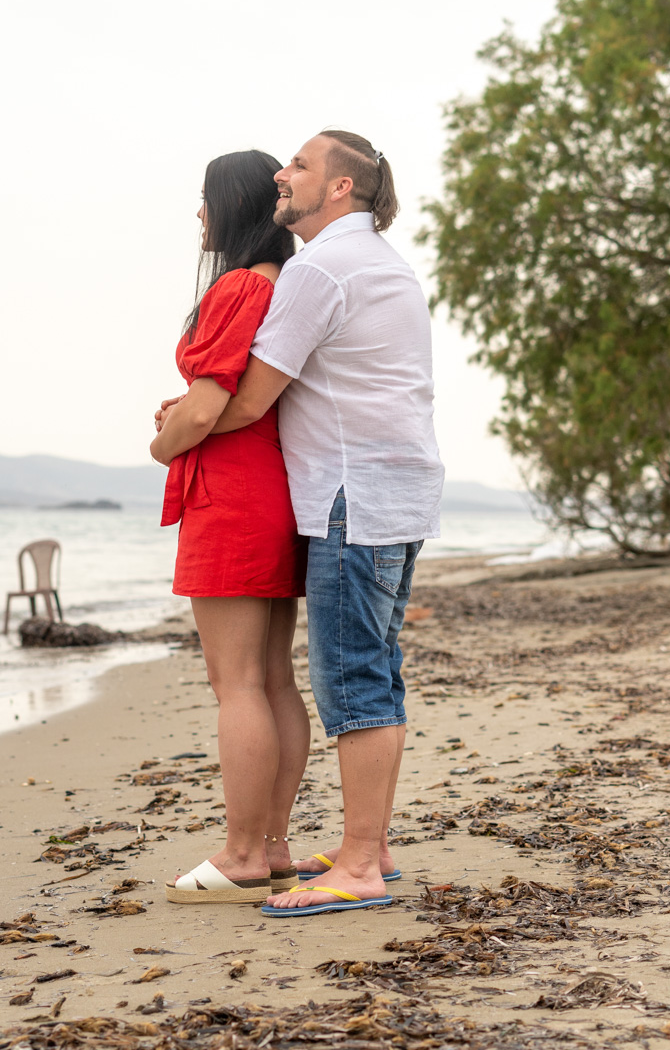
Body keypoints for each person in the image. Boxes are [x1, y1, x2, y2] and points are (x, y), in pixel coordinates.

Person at [196, 130, 445, 916]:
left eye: (301, 165)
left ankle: (362, 864)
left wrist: (180, 425)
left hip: (350, 497)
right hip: (394, 492)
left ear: (341, 187)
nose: (283, 173)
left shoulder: (322, 270)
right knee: (377, 670)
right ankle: (370, 846)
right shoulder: (381, 262)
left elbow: (251, 399)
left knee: (354, 682)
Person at [150, 149, 309, 905]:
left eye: (207, 199)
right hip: (274, 491)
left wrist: (165, 441)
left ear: (235, 206)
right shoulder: (283, 284)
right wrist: (188, 412)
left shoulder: (239, 286)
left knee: (236, 684)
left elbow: (210, 407)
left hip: (231, 497)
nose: (200, 214)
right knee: (273, 679)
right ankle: (272, 846)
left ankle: (242, 852)